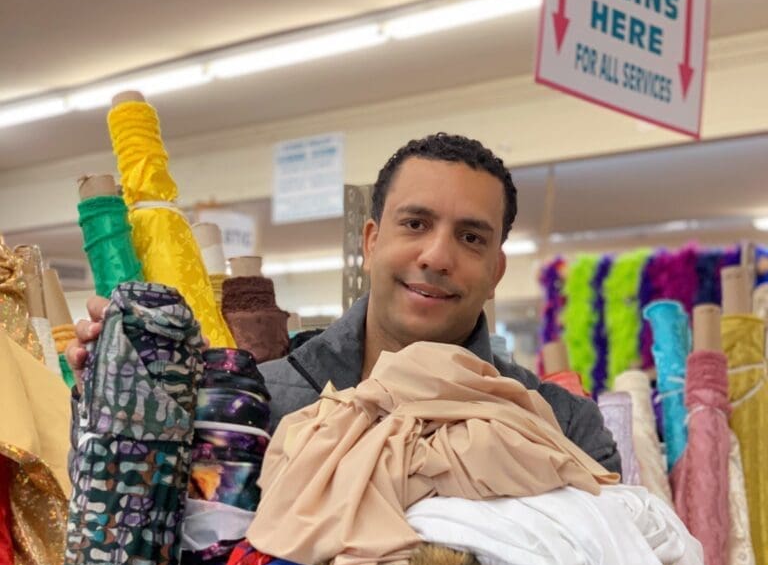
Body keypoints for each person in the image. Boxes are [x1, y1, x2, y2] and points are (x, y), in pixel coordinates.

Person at [67, 132, 620, 473]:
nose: (437, 255)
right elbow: (139, 515)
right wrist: (113, 401)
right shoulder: (263, 400)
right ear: (372, 241)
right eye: (416, 224)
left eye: (471, 237)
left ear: (496, 271)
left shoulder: (562, 425)